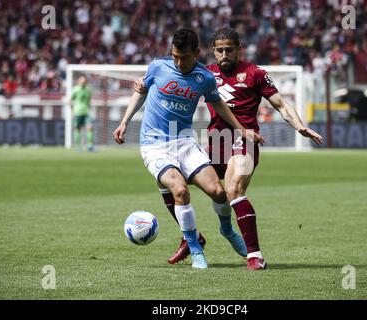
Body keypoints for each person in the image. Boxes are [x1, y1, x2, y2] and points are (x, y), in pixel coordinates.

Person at [135, 27, 323, 270]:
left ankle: (255, 255)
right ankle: (190, 237)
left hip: (244, 140)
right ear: (212, 51)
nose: (224, 54)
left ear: (239, 49)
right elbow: (172, 77)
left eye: (229, 50)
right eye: (220, 50)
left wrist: (299, 127)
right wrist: (143, 84)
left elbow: (281, 104)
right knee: (170, 182)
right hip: (215, 141)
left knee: (233, 189)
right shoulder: (204, 73)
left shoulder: (256, 74)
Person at [113, 28, 264, 269]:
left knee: (218, 192)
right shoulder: (158, 67)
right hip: (155, 145)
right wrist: (124, 121)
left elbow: (218, 103)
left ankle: (227, 230)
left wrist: (240, 129)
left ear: (196, 53)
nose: (178, 62)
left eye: (184, 57)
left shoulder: (204, 78)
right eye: (175, 56)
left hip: (185, 142)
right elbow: (141, 92)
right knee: (180, 191)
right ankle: (195, 249)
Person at [71, 75, 94, 151]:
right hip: (77, 112)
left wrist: (90, 109)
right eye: (81, 81)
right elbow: (70, 101)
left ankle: (90, 146)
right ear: (78, 82)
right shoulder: (75, 90)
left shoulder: (88, 90)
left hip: (86, 112)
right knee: (77, 129)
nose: (82, 83)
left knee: (90, 128)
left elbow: (89, 101)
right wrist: (72, 111)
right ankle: (78, 147)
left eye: (84, 81)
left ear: (86, 82)